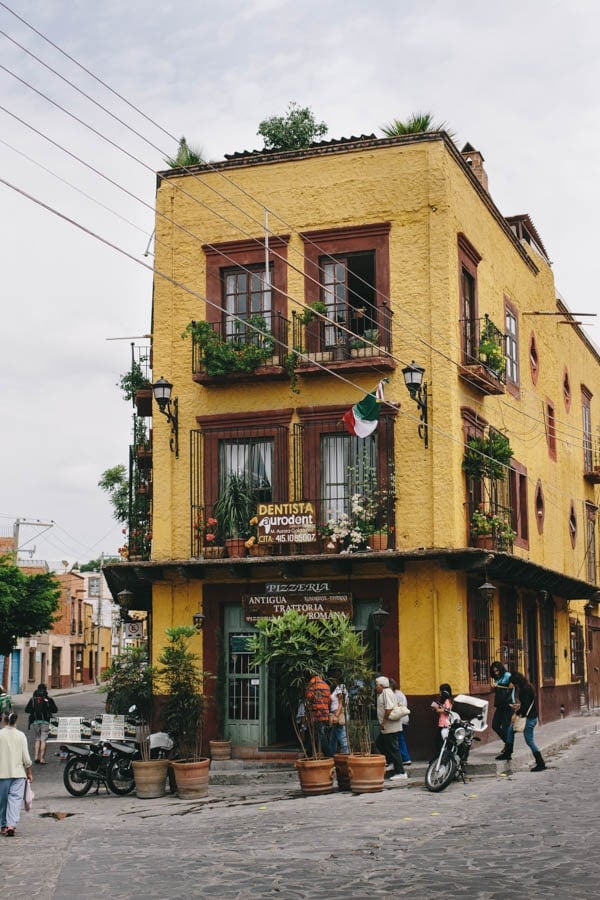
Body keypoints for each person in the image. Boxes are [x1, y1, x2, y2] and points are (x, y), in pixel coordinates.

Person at [0, 711, 33, 837]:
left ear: (4, 720)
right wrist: (29, 772)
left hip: (2, 774)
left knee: (2, 801)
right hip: (18, 774)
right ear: (16, 721)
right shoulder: (21, 735)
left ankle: (3, 825)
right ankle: (11, 825)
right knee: (15, 800)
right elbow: (26, 758)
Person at [506, 671, 546, 771]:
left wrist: (516, 713)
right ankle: (507, 753)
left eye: (514, 684)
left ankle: (540, 763)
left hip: (529, 719)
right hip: (531, 716)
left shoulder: (525, 690)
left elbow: (526, 707)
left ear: (517, 682)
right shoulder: (528, 687)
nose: (514, 686)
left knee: (529, 741)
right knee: (510, 730)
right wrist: (519, 706)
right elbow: (526, 705)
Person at [374, 676, 407, 780]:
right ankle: (392, 762)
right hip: (387, 727)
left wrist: (383, 722)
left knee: (393, 748)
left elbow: (388, 709)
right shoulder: (385, 693)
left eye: (377, 685)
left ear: (382, 685)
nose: (376, 688)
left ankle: (401, 772)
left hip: (390, 726)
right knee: (380, 744)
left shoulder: (386, 692)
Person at [25, 683, 58, 765]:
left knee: (37, 739)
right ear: (45, 690)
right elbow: (55, 710)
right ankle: (42, 758)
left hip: (35, 722)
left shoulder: (32, 699)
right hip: (45, 722)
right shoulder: (48, 699)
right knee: (43, 740)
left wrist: (34, 711)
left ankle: (36, 757)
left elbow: (27, 710)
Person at [490, 662, 514, 760]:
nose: (496, 673)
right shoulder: (497, 678)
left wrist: (500, 686)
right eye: (494, 671)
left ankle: (508, 750)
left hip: (508, 705)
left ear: (501, 669)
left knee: (506, 728)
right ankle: (507, 743)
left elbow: (512, 687)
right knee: (495, 725)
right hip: (500, 705)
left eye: (497, 670)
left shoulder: (507, 675)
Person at [305, 674, 332, 757]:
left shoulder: (313, 683)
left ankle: (329, 755)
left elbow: (309, 696)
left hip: (316, 713)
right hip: (324, 712)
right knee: (314, 734)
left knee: (320, 734)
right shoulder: (326, 685)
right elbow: (329, 701)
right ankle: (308, 754)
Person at [389, 678, 411, 766]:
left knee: (398, 739)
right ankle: (405, 758)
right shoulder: (400, 693)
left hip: (399, 719)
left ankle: (405, 758)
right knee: (400, 738)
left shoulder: (395, 694)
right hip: (404, 718)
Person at [328, 670, 349, 755]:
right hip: (336, 713)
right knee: (333, 738)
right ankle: (331, 756)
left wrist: (336, 715)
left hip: (338, 714)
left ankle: (346, 756)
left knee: (342, 737)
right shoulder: (339, 687)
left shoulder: (340, 687)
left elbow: (341, 703)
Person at [431, 683, 453, 756]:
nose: (440, 693)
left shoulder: (447, 700)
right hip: (442, 723)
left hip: (445, 724)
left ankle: (442, 756)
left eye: (440, 691)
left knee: (439, 741)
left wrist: (437, 708)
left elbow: (447, 710)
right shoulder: (446, 700)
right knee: (439, 741)